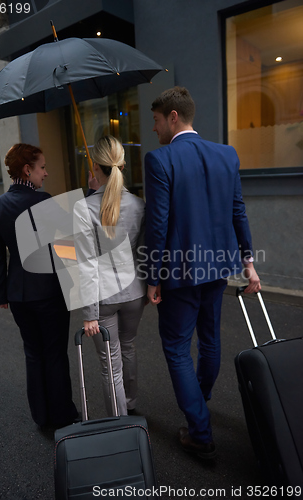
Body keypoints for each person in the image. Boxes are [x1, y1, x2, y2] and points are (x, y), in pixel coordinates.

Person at [144, 87, 261, 459]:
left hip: (179, 271)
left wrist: (152, 276)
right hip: (218, 267)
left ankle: (199, 431)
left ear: (173, 117)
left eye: (157, 121)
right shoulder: (227, 154)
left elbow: (157, 223)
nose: (155, 129)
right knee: (209, 339)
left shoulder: (159, 159)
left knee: (177, 348)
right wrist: (249, 263)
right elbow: (237, 210)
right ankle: (201, 399)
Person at [0, 143, 78, 429]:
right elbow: (67, 251)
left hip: (18, 294)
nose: (46, 173)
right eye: (42, 167)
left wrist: (1, 292)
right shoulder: (45, 203)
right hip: (49, 292)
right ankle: (62, 416)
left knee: (33, 353)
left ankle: (41, 416)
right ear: (27, 169)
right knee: (54, 353)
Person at [73, 135, 146, 416]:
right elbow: (142, 252)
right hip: (133, 293)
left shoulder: (84, 208)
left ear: (95, 167)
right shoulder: (139, 205)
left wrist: (89, 313)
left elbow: (87, 264)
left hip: (102, 299)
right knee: (127, 347)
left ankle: (120, 423)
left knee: (110, 362)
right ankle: (130, 406)